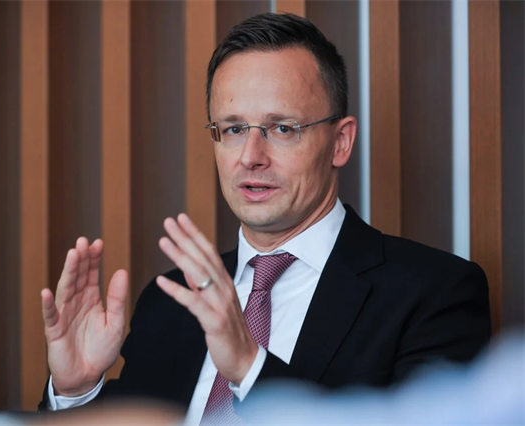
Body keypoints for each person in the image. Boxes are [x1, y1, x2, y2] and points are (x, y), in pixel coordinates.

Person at [38, 13, 490, 424]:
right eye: (234, 129)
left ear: (340, 142)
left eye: (282, 128)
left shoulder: (434, 294)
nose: (251, 156)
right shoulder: (170, 302)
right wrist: (76, 393)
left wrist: (249, 366)